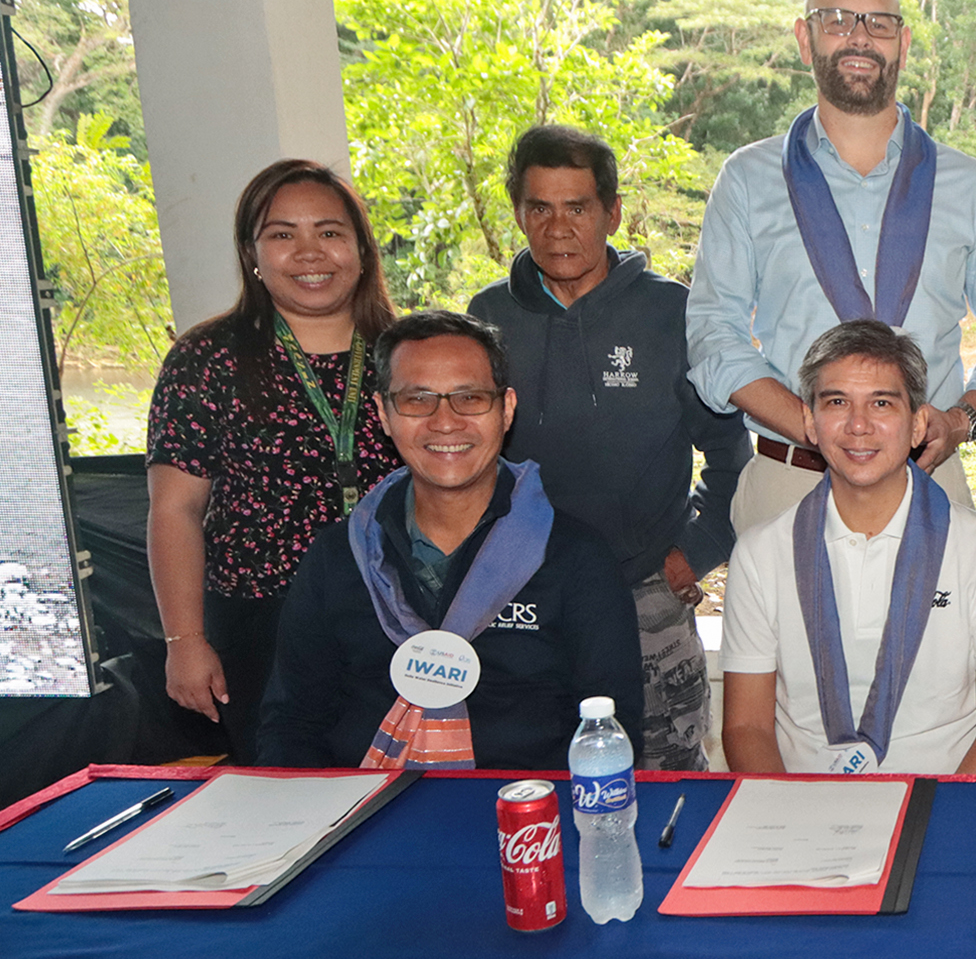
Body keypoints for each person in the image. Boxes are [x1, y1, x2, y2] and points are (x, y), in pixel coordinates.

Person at [685, 0, 976, 531]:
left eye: (878, 23)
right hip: (790, 481)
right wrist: (813, 422)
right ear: (805, 37)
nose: (860, 37)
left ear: (902, 43)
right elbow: (712, 332)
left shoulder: (968, 184)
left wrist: (960, 419)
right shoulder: (747, 179)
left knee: (934, 625)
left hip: (928, 479)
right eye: (838, 19)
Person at [468, 123, 749, 771]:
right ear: (519, 213)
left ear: (611, 213)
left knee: (665, 773)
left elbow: (735, 453)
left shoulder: (672, 314)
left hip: (643, 591)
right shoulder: (487, 319)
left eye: (577, 207)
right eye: (540, 208)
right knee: (530, 771)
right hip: (521, 595)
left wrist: (698, 550)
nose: (558, 227)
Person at [257, 312, 643, 769]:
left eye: (470, 397)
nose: (445, 422)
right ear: (383, 413)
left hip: (529, 819)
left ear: (507, 408)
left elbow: (611, 731)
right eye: (417, 399)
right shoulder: (340, 556)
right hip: (361, 812)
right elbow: (292, 723)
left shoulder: (575, 558)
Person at [146, 160, 402, 763]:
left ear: (361, 250)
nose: (309, 252)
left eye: (330, 232)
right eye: (283, 234)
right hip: (261, 624)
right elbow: (175, 509)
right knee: (280, 797)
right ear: (252, 253)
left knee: (402, 788)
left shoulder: (408, 351)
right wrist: (184, 640)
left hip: (400, 616)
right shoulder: (208, 358)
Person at [718, 322, 976, 775]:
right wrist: (791, 821)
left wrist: (934, 816)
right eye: (837, 402)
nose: (859, 425)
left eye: (882, 403)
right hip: (800, 806)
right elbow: (746, 728)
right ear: (809, 422)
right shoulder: (760, 553)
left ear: (918, 424)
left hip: (941, 800)